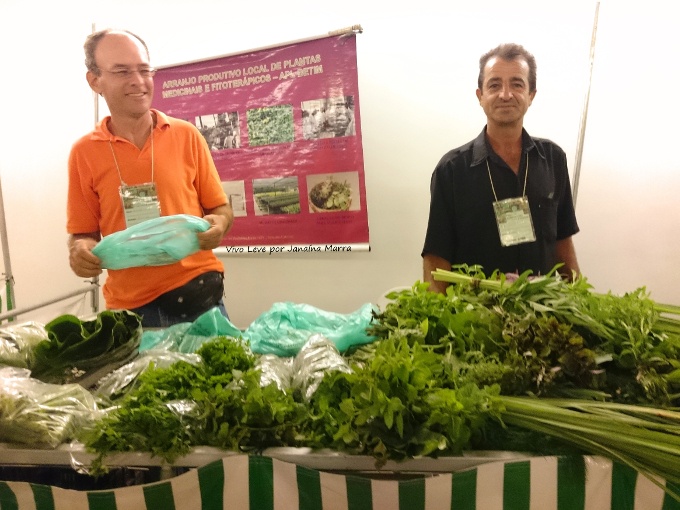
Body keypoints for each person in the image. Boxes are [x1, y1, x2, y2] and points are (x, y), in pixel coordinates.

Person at [67, 28, 234, 327]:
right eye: (121, 71)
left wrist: (219, 224)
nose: (138, 81)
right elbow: (83, 233)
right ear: (95, 81)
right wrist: (80, 252)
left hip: (199, 296)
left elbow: (220, 210)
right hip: (132, 310)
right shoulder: (84, 152)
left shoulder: (187, 135)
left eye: (144, 70)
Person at [422, 43, 580, 293]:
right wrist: (439, 320)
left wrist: (579, 303)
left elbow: (563, 242)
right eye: (494, 85)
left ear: (531, 95)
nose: (505, 94)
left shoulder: (553, 159)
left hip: (544, 317)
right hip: (475, 317)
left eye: (517, 84)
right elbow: (435, 256)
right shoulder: (452, 170)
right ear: (480, 96)